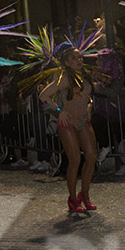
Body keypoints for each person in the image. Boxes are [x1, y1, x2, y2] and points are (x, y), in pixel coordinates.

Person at [39, 45, 99, 213]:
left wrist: (89, 106)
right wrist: (59, 111)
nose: (79, 60)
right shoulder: (64, 78)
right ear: (66, 62)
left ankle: (84, 195)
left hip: (82, 121)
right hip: (68, 123)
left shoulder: (85, 76)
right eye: (74, 58)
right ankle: (73, 199)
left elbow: (89, 96)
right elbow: (43, 95)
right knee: (75, 160)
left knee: (92, 157)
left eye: (80, 57)